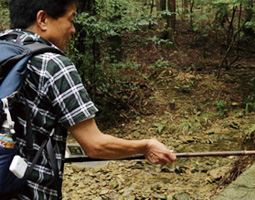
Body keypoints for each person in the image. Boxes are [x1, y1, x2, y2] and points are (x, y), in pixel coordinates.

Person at [2, 0, 177, 199]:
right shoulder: (53, 64)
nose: (73, 30)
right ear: (43, 19)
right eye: (71, 19)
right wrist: (146, 146)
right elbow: (95, 145)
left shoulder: (3, 53)